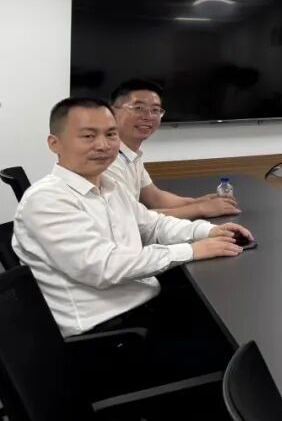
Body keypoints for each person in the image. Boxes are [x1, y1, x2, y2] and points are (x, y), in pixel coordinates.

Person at [12, 97, 254, 341]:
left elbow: (152, 224)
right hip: (108, 334)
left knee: (235, 305)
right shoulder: (46, 200)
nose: (103, 145)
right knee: (233, 329)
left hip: (142, 303)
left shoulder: (110, 185)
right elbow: (105, 267)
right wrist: (192, 250)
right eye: (88, 136)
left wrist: (206, 231)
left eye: (110, 134)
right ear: (54, 143)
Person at [107, 78, 240, 219]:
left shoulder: (130, 154)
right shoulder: (107, 158)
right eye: (138, 108)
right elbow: (131, 218)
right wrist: (200, 208)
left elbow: (154, 197)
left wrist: (198, 202)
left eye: (155, 110)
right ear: (112, 112)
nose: (148, 116)